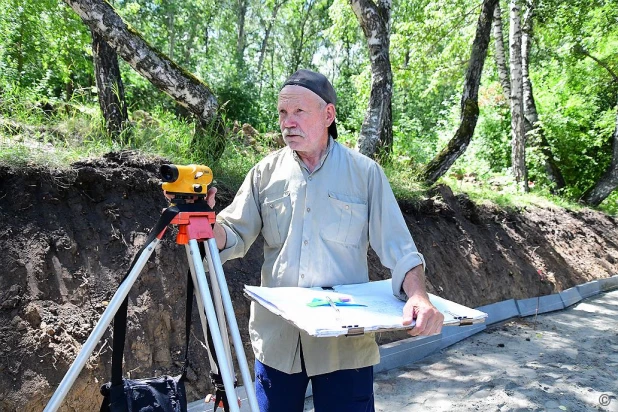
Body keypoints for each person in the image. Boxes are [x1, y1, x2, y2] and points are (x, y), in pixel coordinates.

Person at [205, 69, 444, 411]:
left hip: (343, 345)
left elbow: (400, 248)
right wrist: (205, 222)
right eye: (283, 113)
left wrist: (418, 296)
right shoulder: (264, 174)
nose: (288, 123)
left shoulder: (364, 174)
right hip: (279, 341)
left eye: (299, 112)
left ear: (328, 114)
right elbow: (233, 232)